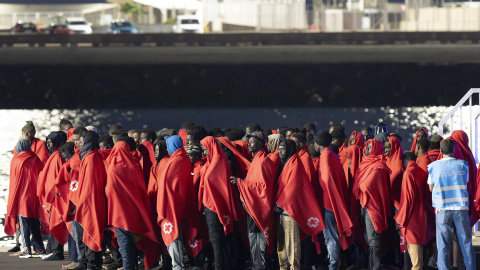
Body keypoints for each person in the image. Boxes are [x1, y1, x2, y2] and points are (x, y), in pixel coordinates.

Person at [106, 137, 161, 270]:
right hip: (134, 212)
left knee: (124, 245)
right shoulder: (134, 165)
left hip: (118, 213)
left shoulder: (113, 167)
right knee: (133, 244)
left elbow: (109, 190)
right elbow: (140, 188)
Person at [275, 139, 325, 270]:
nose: (280, 152)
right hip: (283, 211)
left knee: (292, 246)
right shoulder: (287, 163)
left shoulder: (295, 164)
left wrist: (279, 203)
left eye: (283, 149)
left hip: (290, 212)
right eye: (279, 149)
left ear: (289, 150)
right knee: (283, 246)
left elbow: (293, 189)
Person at [427, 139, 475, 270]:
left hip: (442, 209)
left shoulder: (433, 167)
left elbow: (431, 188)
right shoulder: (463, 165)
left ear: (441, 151)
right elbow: (465, 182)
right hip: (460, 208)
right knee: (466, 244)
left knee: (443, 246)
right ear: (453, 150)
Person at [199, 136, 244, 270]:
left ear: (211, 147)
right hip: (212, 205)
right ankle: (227, 265)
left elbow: (214, 183)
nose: (204, 153)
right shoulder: (212, 161)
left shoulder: (218, 161)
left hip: (215, 206)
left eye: (205, 149)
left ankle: (220, 266)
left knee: (216, 239)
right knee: (222, 238)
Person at [234, 131, 275, 270]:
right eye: (249, 140)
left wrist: (240, 182)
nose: (249, 143)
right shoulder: (256, 160)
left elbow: (263, 187)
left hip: (259, 207)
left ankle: (260, 266)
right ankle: (255, 264)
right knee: (253, 237)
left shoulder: (263, 161)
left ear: (260, 143)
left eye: (252, 141)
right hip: (253, 206)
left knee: (258, 238)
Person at [313, 131, 353, 270]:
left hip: (328, 204)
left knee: (330, 238)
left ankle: (333, 266)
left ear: (318, 144)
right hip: (332, 202)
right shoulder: (332, 155)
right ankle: (336, 264)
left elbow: (327, 182)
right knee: (333, 237)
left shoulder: (325, 157)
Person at [157, 135, 198, 270]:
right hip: (180, 203)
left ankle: (177, 266)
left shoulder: (175, 162)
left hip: (171, 205)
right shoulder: (184, 159)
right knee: (178, 235)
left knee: (173, 235)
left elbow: (166, 183)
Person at [354, 139, 392, 270]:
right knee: (368, 240)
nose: (367, 150)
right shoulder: (365, 164)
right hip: (364, 205)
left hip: (373, 207)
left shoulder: (379, 166)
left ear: (377, 149)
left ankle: (376, 267)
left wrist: (361, 187)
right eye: (367, 147)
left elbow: (366, 186)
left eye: (371, 147)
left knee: (374, 241)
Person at [5, 139, 46, 258]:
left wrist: (12, 201)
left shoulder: (17, 161)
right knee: (35, 223)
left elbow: (14, 183)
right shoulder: (36, 159)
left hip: (22, 197)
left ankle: (26, 250)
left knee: (24, 225)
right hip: (34, 197)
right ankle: (40, 249)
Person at [74, 131, 107, 270]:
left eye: (82, 140)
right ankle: (92, 264)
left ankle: (92, 265)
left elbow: (89, 186)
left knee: (89, 231)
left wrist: (82, 204)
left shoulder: (91, 158)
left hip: (89, 203)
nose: (79, 143)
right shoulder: (91, 157)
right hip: (90, 202)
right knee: (89, 232)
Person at [394, 152, 428, 270]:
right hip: (422, 215)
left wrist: (401, 218)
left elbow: (408, 199)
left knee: (416, 263)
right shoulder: (421, 171)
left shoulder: (408, 173)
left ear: (404, 161)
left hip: (412, 218)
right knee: (420, 258)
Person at [37, 131, 68, 261]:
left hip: (56, 196)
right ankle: (55, 250)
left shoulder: (59, 155)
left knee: (56, 222)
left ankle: (57, 252)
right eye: (47, 142)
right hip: (53, 195)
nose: (48, 145)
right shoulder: (55, 155)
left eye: (50, 142)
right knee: (54, 222)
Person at [385, 136, 404, 210]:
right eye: (385, 148)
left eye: (388, 148)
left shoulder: (400, 163)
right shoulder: (384, 160)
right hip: (387, 201)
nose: (386, 150)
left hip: (397, 203)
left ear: (394, 147)